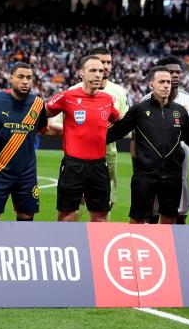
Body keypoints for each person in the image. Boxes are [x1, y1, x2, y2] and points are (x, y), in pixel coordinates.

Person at [107, 67, 189, 224]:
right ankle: (133, 247)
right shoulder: (139, 109)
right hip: (145, 175)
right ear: (151, 84)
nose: (166, 85)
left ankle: (166, 248)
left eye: (168, 82)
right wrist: (88, 139)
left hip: (172, 176)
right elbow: (116, 132)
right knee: (137, 219)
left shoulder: (180, 111)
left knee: (169, 218)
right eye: (161, 81)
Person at [49, 47, 129, 210]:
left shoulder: (112, 96)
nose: (100, 72)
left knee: (102, 213)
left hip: (104, 161)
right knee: (69, 213)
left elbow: (122, 122)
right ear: (82, 72)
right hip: (74, 163)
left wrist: (105, 135)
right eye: (94, 69)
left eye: (104, 67)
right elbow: (46, 116)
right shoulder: (69, 94)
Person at [0, 63, 51, 221]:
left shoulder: (37, 104)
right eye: (21, 77)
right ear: (11, 78)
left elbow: (45, 129)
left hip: (27, 175)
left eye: (29, 77)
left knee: (26, 218)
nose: (25, 81)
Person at [141, 56, 189, 224]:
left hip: (181, 166)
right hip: (153, 166)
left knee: (180, 212)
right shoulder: (145, 101)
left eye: (177, 72)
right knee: (152, 211)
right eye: (170, 72)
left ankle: (178, 247)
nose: (174, 76)